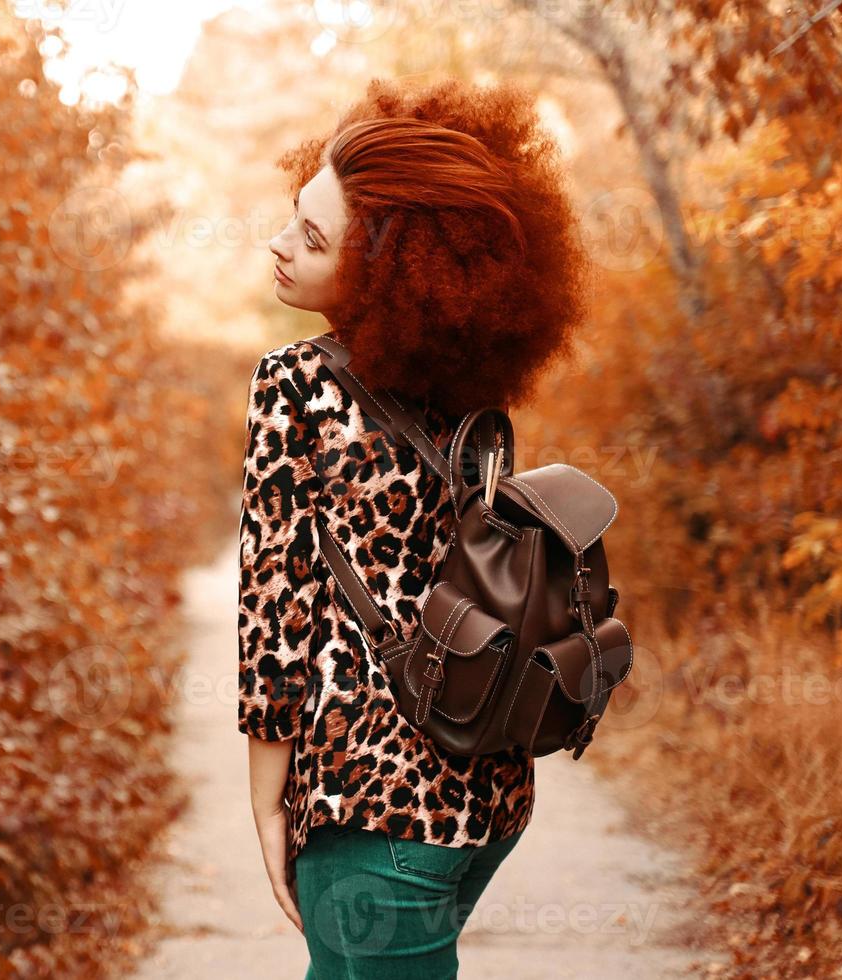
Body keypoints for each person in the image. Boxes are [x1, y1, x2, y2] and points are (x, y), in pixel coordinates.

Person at [238, 76, 590, 979]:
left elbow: (275, 619)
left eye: (311, 238)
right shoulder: (473, 387)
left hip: (373, 809)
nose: (279, 245)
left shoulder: (296, 384)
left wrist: (268, 805)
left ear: (388, 272)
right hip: (490, 792)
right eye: (293, 216)